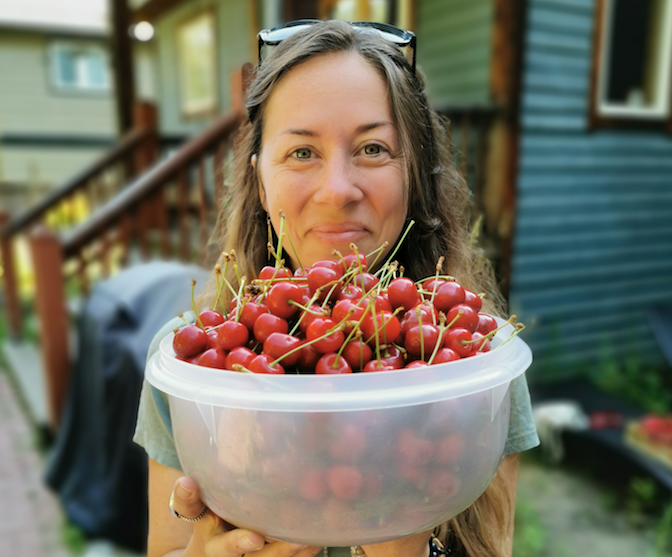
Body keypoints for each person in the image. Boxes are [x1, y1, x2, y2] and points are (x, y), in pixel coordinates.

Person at [133, 19, 539, 557]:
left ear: (414, 176)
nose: (337, 190)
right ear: (259, 180)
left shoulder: (472, 357)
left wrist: (408, 546)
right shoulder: (199, 360)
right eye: (302, 152)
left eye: (373, 149)